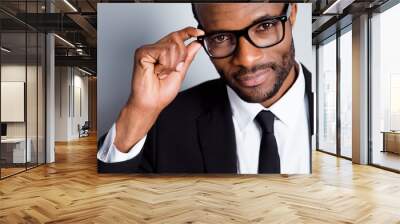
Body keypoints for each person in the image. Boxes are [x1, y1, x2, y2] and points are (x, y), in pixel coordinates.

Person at [97, 3, 313, 174]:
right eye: (220, 37)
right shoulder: (167, 122)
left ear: (292, 13)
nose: (246, 59)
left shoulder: (338, 113)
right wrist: (139, 112)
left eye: (264, 26)